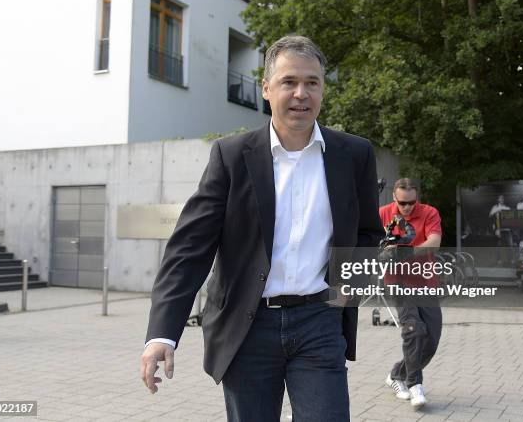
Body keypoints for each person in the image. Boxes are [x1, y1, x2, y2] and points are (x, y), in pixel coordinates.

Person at [140, 35, 384, 422]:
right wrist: (162, 335)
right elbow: (190, 249)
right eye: (289, 82)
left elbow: (370, 232)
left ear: (323, 89)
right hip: (248, 326)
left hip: (320, 321)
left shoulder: (354, 154)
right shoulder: (232, 156)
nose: (301, 93)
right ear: (267, 89)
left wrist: (348, 290)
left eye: (312, 82)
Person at [378, 178, 442, 410]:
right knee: (414, 330)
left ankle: (397, 374)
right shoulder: (383, 214)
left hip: (426, 282)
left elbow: (434, 241)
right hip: (397, 282)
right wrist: (383, 253)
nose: (407, 207)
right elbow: (371, 244)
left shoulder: (429, 213)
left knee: (431, 339)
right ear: (395, 197)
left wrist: (409, 253)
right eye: (402, 203)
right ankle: (415, 385)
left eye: (411, 202)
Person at [489, 194, 513, 265]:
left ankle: (510, 259)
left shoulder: (507, 208)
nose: (502, 199)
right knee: (499, 246)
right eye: (500, 198)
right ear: (498, 199)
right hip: (499, 230)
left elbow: (511, 218)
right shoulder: (495, 207)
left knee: (510, 245)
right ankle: (499, 260)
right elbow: (490, 216)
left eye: (503, 198)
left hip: (507, 229)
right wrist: (495, 229)